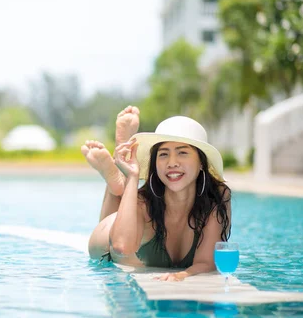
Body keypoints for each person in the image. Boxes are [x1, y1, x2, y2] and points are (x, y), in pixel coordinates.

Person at [81, 106, 231, 281]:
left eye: (182, 152)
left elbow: (206, 262)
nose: (172, 162)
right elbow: (121, 247)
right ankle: (120, 181)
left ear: (201, 162)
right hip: (107, 245)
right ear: (155, 163)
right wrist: (133, 176)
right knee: (121, 252)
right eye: (163, 154)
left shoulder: (218, 196)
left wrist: (181, 275)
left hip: (131, 234)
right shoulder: (144, 202)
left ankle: (119, 178)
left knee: (127, 214)